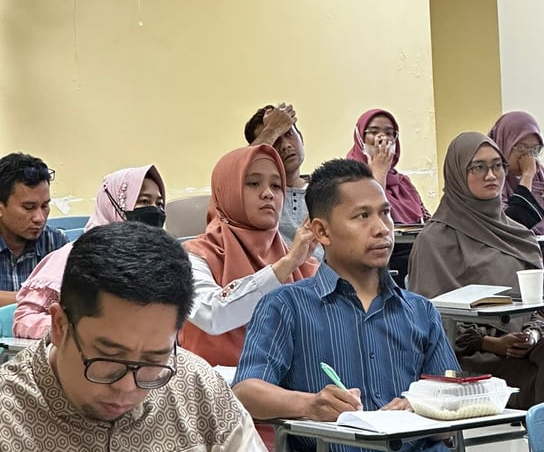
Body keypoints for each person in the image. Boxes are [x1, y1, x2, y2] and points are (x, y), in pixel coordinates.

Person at [232, 158, 544, 452]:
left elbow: (450, 393)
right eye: (361, 216)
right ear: (321, 231)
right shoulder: (287, 307)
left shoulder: (419, 311)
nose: (382, 228)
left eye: (384, 213)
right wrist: (310, 404)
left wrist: (423, 403)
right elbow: (246, 390)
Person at [0, 221, 289, 452]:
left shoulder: (196, 382)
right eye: (107, 358)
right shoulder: (8, 413)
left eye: (153, 361)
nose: (127, 386)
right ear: (59, 325)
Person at [408, 132, 544, 409]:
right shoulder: (436, 240)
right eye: (478, 167)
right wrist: (491, 343)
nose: (491, 175)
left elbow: (542, 310)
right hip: (468, 363)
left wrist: (531, 334)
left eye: (497, 166)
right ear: (458, 174)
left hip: (523, 351)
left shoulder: (519, 235)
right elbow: (429, 323)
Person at [181, 144, 318, 369]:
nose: (268, 193)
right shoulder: (193, 256)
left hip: (284, 385)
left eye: (276, 186)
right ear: (228, 190)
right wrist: (287, 264)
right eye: (254, 183)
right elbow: (213, 315)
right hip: (212, 385)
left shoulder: (305, 263)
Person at [13, 164, 166, 338]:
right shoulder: (75, 257)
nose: (155, 210)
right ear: (113, 205)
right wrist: (81, 330)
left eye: (159, 204)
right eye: (144, 202)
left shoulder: (161, 262)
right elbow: (24, 319)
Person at [347, 108, 430, 287]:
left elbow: (425, 218)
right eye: (374, 132)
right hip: (379, 260)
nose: (382, 139)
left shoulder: (402, 182)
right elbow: (367, 217)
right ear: (360, 137)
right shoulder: (346, 177)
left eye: (389, 133)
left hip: (417, 254)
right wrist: (378, 174)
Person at [244, 103, 322, 261]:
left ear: (301, 138)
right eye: (275, 139)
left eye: (289, 134)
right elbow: (238, 170)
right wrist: (272, 129)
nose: (286, 146)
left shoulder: (325, 189)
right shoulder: (255, 197)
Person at [488, 111, 544, 233]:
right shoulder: (489, 179)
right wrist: (527, 177)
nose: (528, 157)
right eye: (521, 148)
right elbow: (512, 226)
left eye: (534, 150)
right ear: (503, 144)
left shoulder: (539, 174)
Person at [0, 152, 68, 306]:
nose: (40, 218)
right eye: (29, 207)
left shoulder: (56, 242)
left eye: (44, 206)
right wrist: (40, 299)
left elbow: (71, 297)